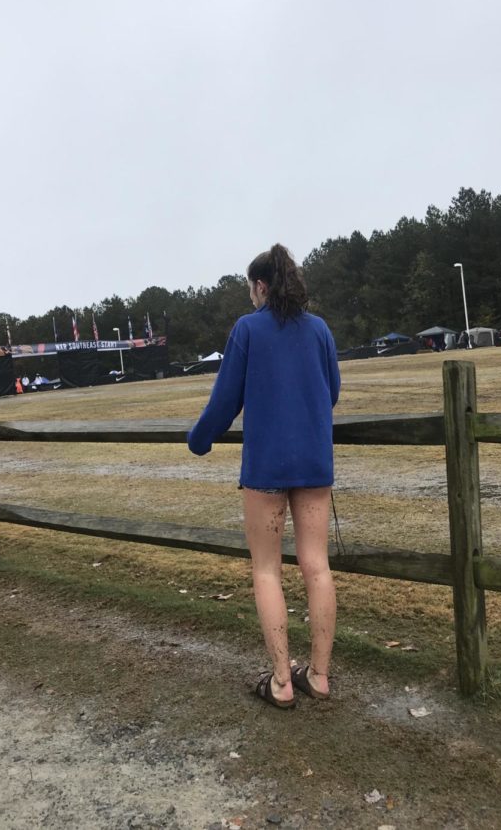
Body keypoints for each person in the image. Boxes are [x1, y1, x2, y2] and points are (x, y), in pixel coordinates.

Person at [188, 244, 340, 709]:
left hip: (266, 468)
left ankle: (281, 681)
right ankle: (319, 676)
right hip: (314, 463)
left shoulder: (247, 329)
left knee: (267, 570)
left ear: (260, 286)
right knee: (316, 566)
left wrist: (200, 438)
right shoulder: (319, 330)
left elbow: (224, 399)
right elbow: (331, 390)